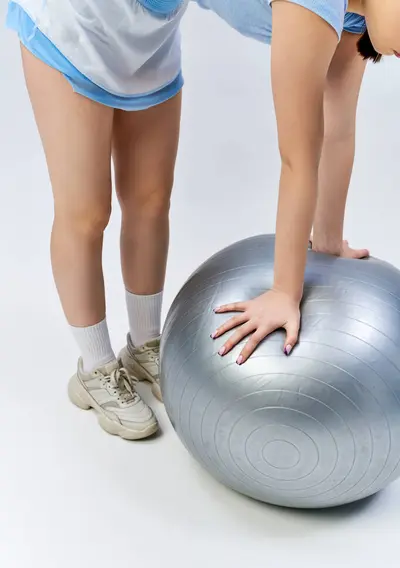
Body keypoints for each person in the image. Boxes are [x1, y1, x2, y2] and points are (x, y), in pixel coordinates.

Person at [6, 0, 190, 440]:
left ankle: (145, 342)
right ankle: (96, 367)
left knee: (150, 199)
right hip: (74, 27)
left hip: (151, 32)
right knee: (85, 212)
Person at [199, 0, 400, 364]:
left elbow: (337, 130)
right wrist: (283, 291)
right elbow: (298, 157)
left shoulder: (357, 12)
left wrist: (328, 242)